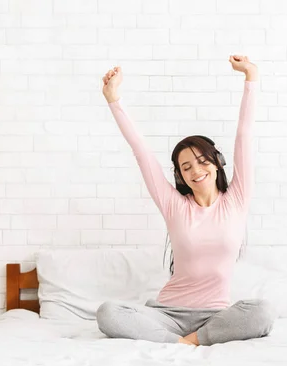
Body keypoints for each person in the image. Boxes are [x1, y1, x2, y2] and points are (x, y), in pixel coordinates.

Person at [96, 55, 276, 346]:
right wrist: (113, 99)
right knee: (108, 312)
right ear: (180, 175)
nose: (196, 170)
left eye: (201, 161)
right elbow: (141, 151)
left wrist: (251, 77)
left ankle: (190, 339)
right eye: (186, 167)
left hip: (215, 315)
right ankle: (182, 340)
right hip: (167, 314)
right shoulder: (174, 206)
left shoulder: (237, 200)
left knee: (263, 312)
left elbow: (244, 135)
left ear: (217, 163)